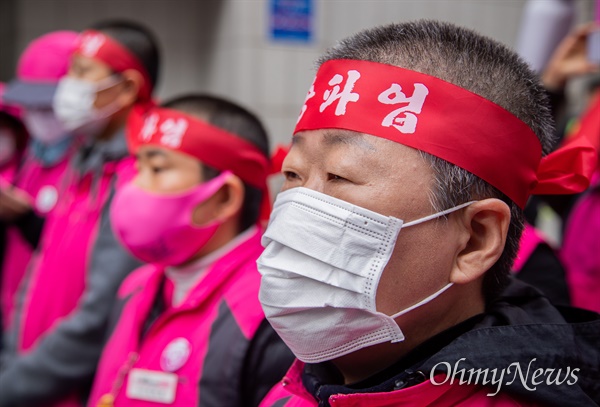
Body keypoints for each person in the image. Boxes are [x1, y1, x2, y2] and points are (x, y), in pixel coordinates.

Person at [257, 20, 599, 406]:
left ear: (474, 240)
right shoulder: (304, 382)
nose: (300, 206)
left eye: (340, 175)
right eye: (293, 173)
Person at [87, 94, 294, 407]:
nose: (133, 186)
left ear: (224, 197)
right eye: (137, 166)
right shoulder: (136, 287)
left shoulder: (272, 312)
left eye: (156, 169)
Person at [0, 20, 160, 407]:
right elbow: (35, 275)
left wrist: (13, 385)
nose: (67, 86)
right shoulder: (83, 163)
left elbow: (99, 314)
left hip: (74, 389)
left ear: (126, 88)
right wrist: (10, 362)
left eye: (81, 72)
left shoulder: (137, 177)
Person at [0, 30, 79, 331]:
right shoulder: (32, 157)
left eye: (48, 107)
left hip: (58, 329)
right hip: (15, 315)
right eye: (30, 107)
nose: (38, 117)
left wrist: (26, 218)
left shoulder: (90, 167)